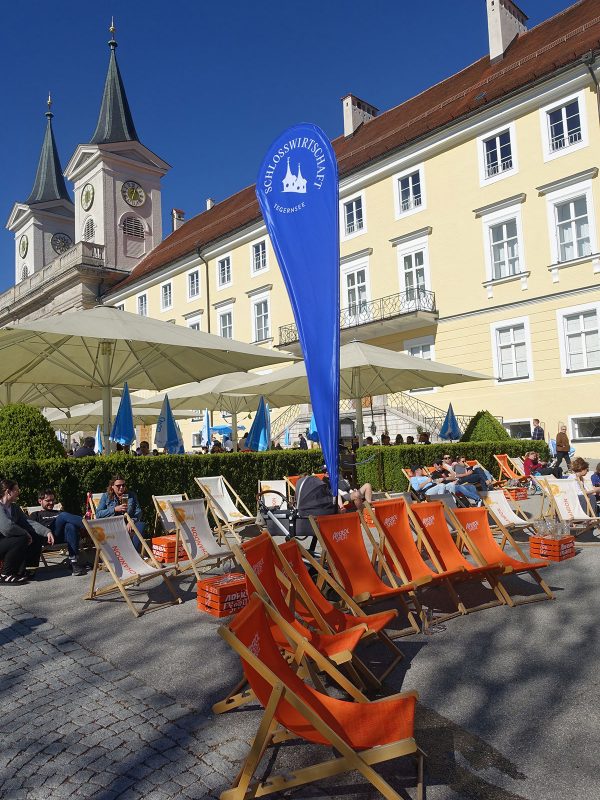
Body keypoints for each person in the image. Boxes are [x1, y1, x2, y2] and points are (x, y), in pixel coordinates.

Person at [0, 479, 51, 583]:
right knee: (22, 538)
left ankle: (26, 570)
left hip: (6, 543)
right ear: (8, 492)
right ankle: (5, 574)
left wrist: (47, 532)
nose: (19, 492)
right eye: (16, 490)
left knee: (36, 535)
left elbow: (28, 522)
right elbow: (7, 528)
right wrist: (25, 533)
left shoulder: (14, 508)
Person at [27, 488, 87, 576]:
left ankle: (73, 564)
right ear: (40, 501)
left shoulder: (59, 512)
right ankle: (89, 526)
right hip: (47, 538)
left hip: (63, 537)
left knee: (70, 526)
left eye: (52, 500)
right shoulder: (36, 514)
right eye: (48, 500)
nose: (51, 503)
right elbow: (32, 527)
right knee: (63, 516)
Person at [96, 477, 145, 551]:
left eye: (123, 485)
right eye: (118, 486)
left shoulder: (131, 495)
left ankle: (134, 553)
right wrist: (114, 509)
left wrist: (132, 520)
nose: (121, 487)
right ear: (112, 486)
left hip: (127, 522)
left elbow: (138, 511)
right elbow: (98, 514)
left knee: (141, 525)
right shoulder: (106, 496)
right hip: (113, 524)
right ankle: (126, 553)